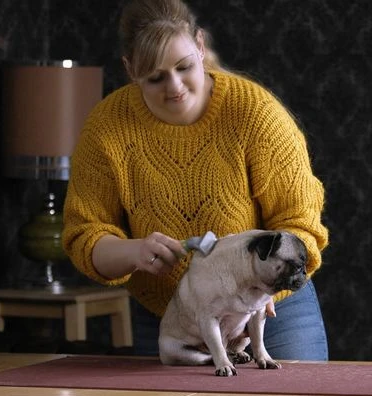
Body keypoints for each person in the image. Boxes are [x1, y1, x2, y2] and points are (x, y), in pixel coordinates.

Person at [62, 0, 329, 360]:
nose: (174, 86)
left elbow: (300, 223)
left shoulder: (256, 115)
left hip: (271, 309)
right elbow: (84, 234)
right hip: (173, 318)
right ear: (130, 69)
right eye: (155, 77)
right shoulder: (106, 129)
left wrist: (261, 292)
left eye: (184, 67)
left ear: (200, 46)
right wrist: (134, 252)